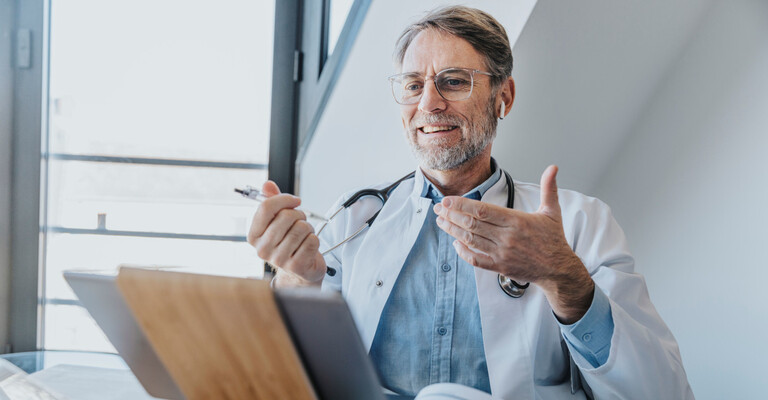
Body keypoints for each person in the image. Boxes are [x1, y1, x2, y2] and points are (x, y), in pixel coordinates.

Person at [248, 6, 693, 399]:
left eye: (453, 82)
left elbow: (662, 391)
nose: (429, 103)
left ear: (504, 97)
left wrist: (565, 279)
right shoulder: (353, 219)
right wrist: (295, 279)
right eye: (412, 84)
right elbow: (286, 379)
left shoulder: (580, 224)